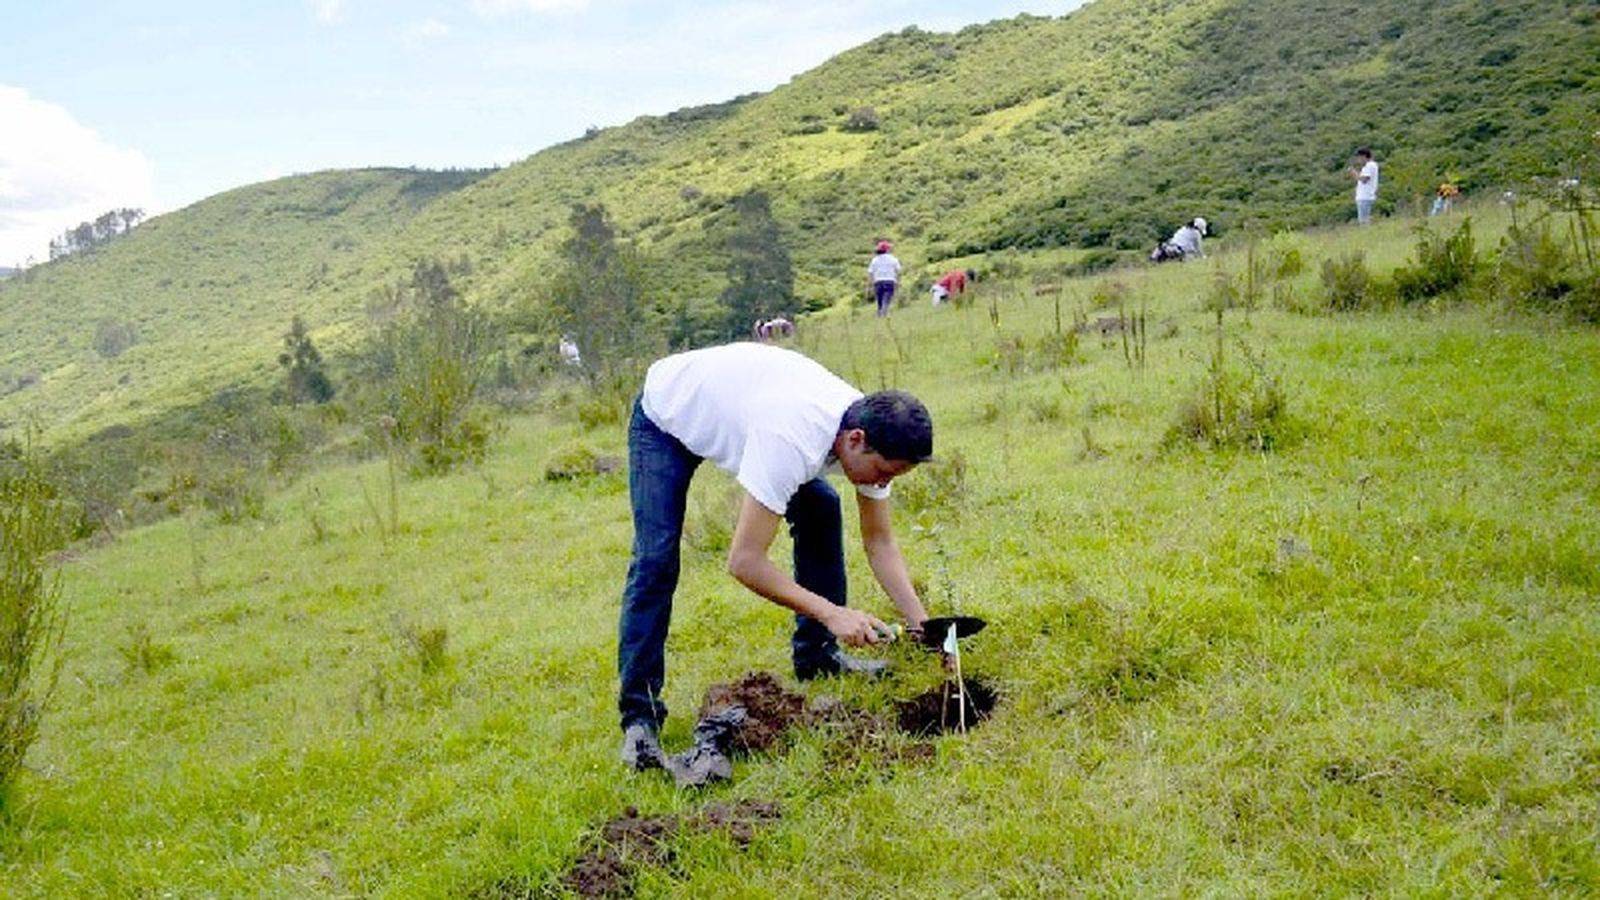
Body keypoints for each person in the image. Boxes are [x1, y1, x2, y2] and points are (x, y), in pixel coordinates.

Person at [617, 342, 934, 770]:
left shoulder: (869, 428)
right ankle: (639, 718)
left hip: (738, 407)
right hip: (667, 414)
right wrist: (832, 612)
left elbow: (880, 543)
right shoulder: (793, 438)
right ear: (855, 440)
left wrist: (926, 627)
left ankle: (818, 658)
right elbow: (745, 562)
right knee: (656, 559)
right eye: (882, 472)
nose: (882, 483)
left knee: (821, 507)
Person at [866, 240, 902, 317]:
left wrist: (869, 286)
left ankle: (880, 314)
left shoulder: (874, 260)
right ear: (887, 249)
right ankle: (883, 313)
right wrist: (898, 283)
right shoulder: (893, 259)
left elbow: (870, 274)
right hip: (890, 282)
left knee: (880, 301)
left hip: (878, 282)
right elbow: (898, 271)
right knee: (886, 300)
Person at [1349, 148, 1380, 225]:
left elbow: (1364, 179)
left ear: (1364, 156)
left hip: (1365, 197)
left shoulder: (1370, 166)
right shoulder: (1370, 166)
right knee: (1365, 220)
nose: (1358, 159)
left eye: (1359, 157)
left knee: (1363, 221)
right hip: (1366, 196)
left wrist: (1353, 172)